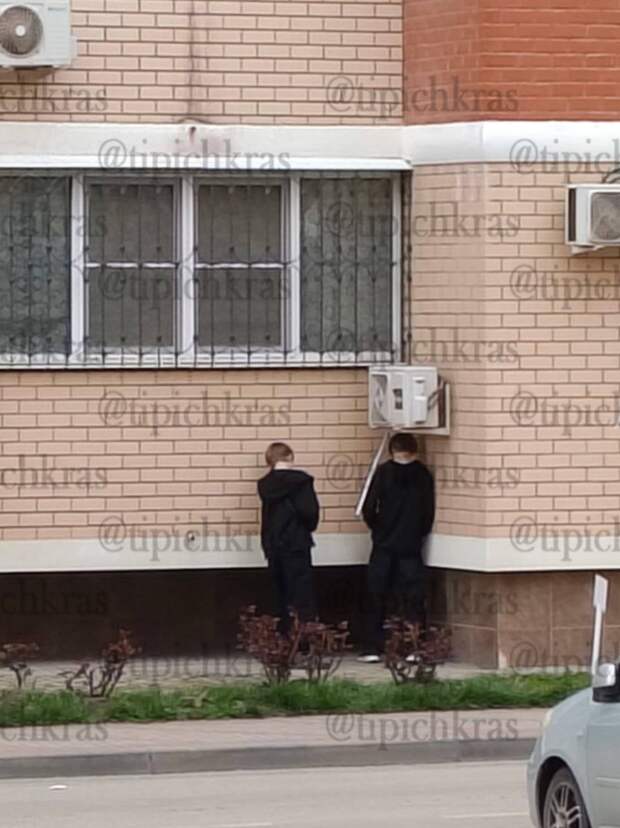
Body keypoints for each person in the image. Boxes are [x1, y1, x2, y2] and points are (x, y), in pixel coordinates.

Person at [358, 431, 435, 663]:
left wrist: (379, 529)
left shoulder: (383, 472)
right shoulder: (423, 475)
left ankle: (373, 647)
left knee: (376, 594)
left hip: (384, 545)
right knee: (413, 598)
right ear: (414, 451)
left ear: (392, 451)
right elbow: (428, 513)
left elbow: (369, 508)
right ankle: (414, 646)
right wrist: (417, 533)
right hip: (410, 546)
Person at [258, 442, 320, 634]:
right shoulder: (302, 482)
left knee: (279, 593)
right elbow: (310, 512)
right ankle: (302, 638)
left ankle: (282, 636)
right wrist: (308, 528)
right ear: (290, 457)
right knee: (301, 593)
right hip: (297, 542)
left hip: (274, 543)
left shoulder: (265, 485)